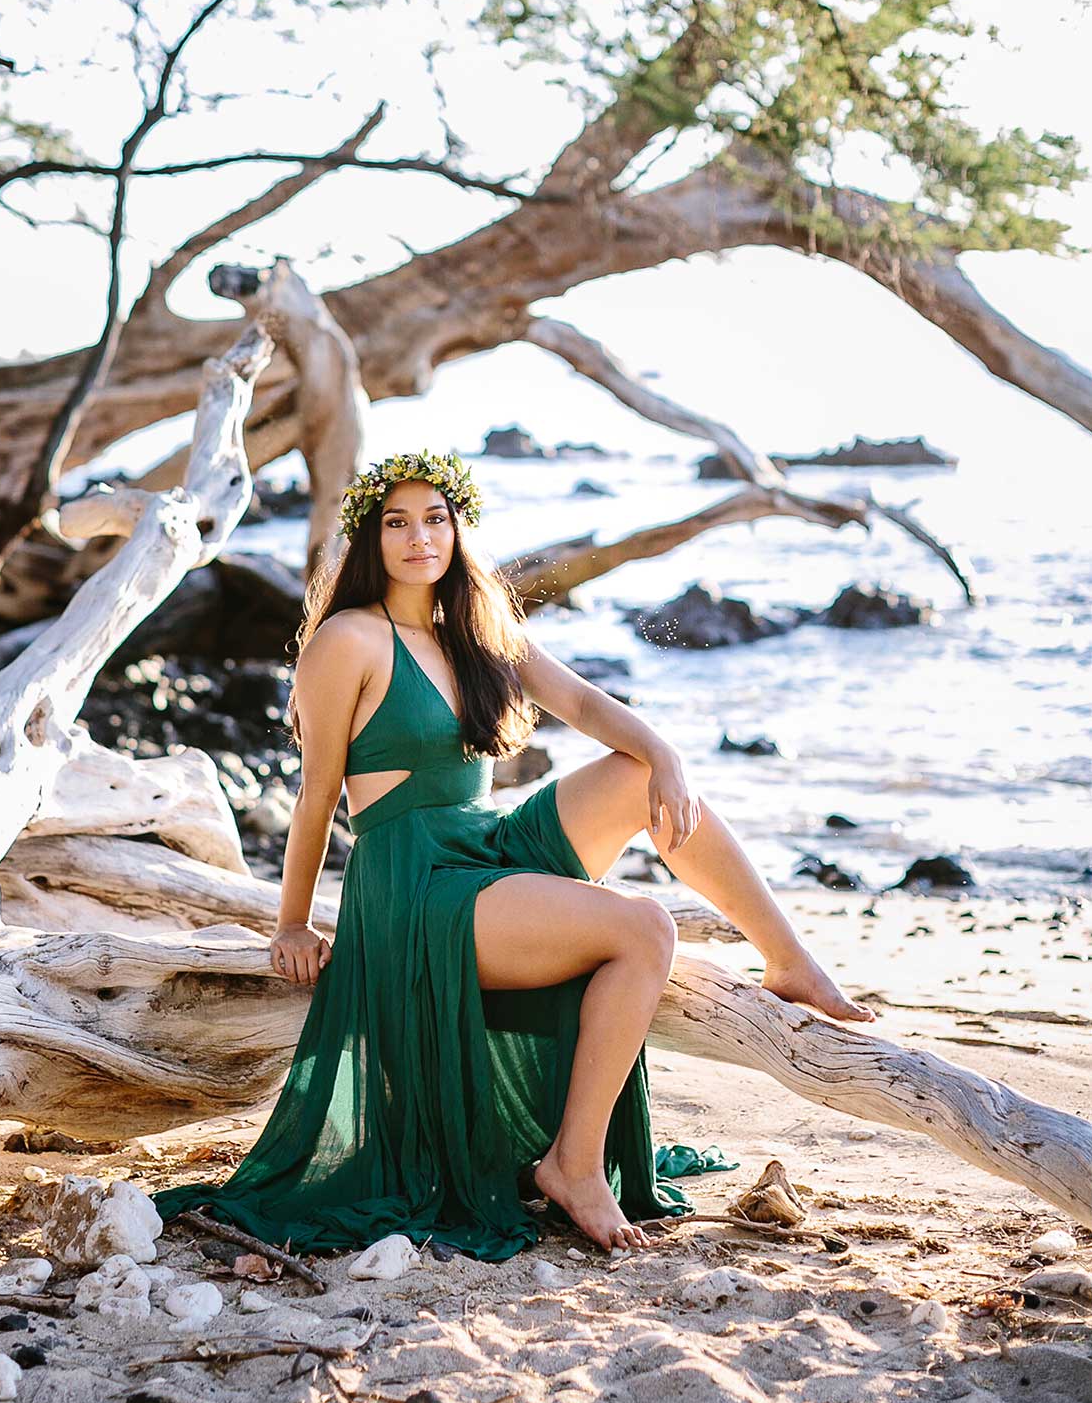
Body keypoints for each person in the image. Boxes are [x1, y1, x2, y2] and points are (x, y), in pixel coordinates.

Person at [153, 449, 874, 1258]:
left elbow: (582, 701)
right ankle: (572, 1164)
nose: (418, 537)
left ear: (459, 529)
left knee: (638, 774)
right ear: (369, 540)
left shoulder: (475, 629)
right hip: (416, 883)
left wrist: (668, 754)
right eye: (397, 522)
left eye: (435, 518)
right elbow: (317, 795)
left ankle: (788, 961)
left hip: (483, 843)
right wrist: (292, 925)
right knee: (644, 930)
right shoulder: (347, 641)